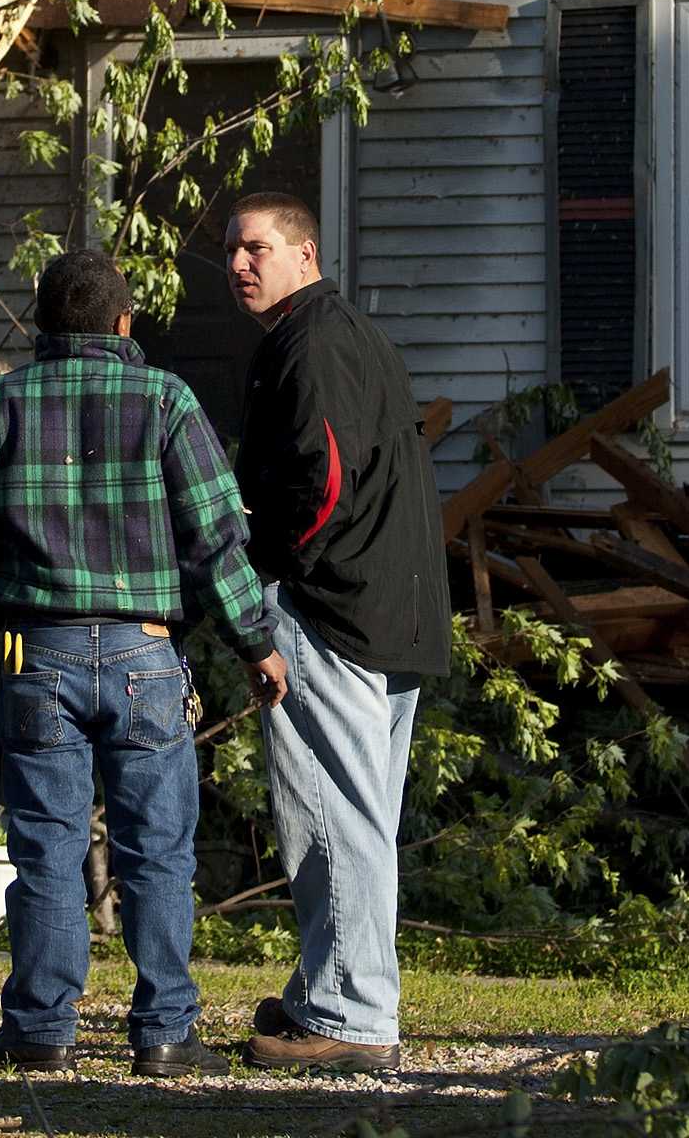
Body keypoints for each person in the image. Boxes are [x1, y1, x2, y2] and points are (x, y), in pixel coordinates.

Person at [0, 249, 291, 1078]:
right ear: (126, 323)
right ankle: (164, 1032)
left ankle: (40, 1031)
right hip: (145, 654)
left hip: (35, 651)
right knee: (157, 849)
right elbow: (215, 537)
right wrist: (255, 642)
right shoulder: (167, 398)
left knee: (45, 848)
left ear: (41, 325)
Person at [223, 192, 448, 1075]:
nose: (241, 264)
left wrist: (270, 567)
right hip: (395, 611)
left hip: (332, 610)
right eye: (233, 252)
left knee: (331, 815)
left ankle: (351, 1017)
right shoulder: (350, 333)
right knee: (363, 818)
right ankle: (335, 992)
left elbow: (321, 477)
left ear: (305, 254)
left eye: (258, 248)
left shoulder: (308, 342)